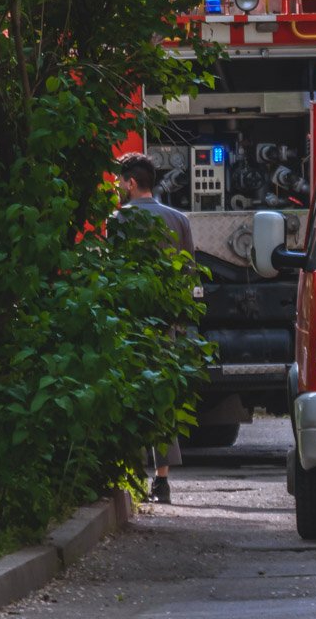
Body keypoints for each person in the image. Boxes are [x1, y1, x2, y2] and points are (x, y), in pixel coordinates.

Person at [115, 151, 194, 505]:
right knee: (163, 398)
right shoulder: (178, 220)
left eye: (121, 182)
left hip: (130, 321)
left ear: (131, 183)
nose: (119, 188)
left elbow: (114, 273)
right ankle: (162, 480)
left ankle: (132, 472)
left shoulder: (117, 221)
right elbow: (188, 273)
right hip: (166, 324)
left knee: (130, 396)